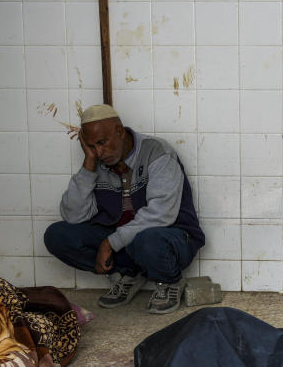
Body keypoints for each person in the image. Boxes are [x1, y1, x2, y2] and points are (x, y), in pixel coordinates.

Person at [44, 105, 204, 312]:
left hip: (170, 238)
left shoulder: (157, 152)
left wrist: (109, 244)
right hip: (126, 242)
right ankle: (129, 274)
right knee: (57, 235)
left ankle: (169, 282)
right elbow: (74, 216)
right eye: (92, 146)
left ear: (119, 131)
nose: (100, 152)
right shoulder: (97, 162)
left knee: (148, 241)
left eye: (102, 143)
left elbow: (161, 214)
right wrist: (88, 166)